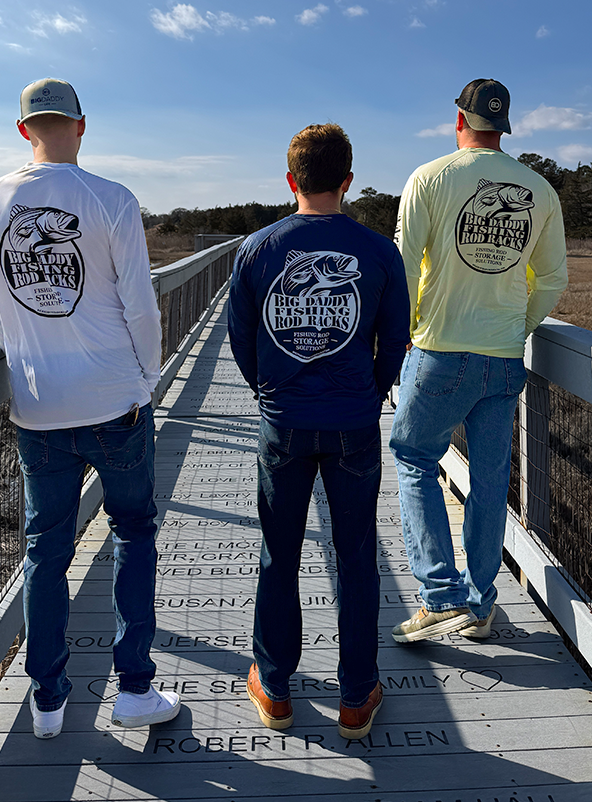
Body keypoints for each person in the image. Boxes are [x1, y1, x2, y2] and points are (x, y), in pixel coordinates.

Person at [0, 78, 181, 739]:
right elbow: (141, 306)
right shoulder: (110, 199)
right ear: (82, 126)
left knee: (45, 551)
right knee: (133, 533)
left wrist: (30, 364)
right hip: (115, 399)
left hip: (39, 408)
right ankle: (136, 689)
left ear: (22, 129)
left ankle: (49, 700)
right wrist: (144, 379)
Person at [226, 124, 410, 740]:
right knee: (357, 556)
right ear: (348, 180)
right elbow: (395, 343)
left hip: (283, 423)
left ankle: (274, 688)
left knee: (280, 554)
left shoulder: (256, 250)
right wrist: (371, 391)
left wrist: (270, 392)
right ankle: (357, 697)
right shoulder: (380, 251)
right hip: (354, 423)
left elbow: (244, 342)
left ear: (290, 180)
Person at [389, 79, 567, 643]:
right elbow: (554, 277)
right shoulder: (538, 188)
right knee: (491, 480)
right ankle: (481, 603)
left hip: (439, 349)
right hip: (504, 356)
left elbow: (401, 263)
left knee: (415, 456)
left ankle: (440, 596)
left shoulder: (430, 176)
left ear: (457, 118)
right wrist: (518, 325)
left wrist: (406, 335)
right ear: (504, 125)